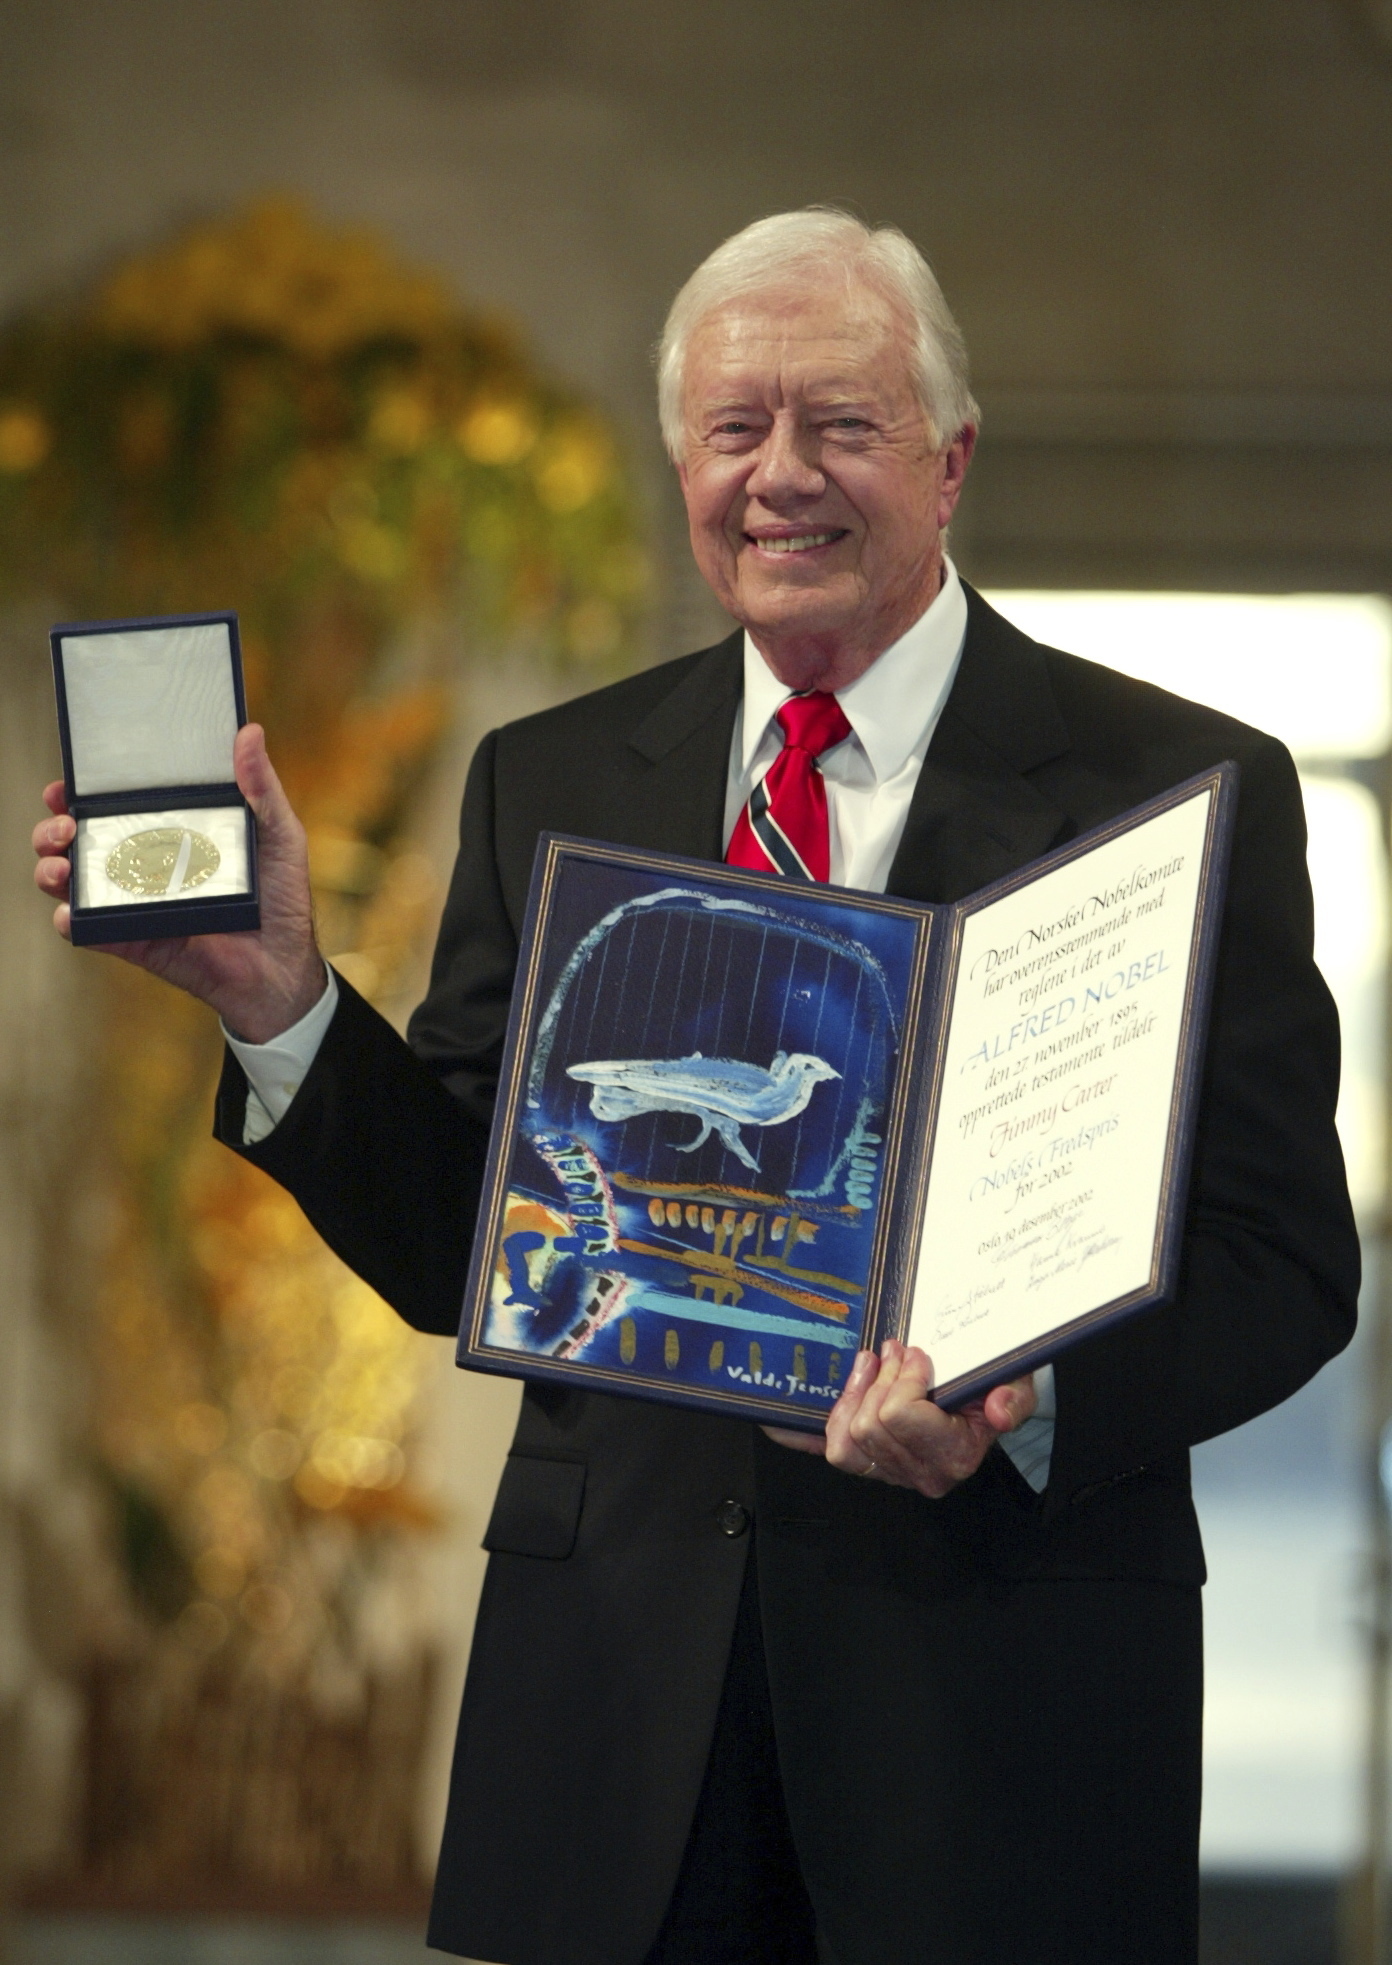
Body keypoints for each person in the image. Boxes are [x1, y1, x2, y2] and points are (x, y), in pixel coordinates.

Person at [34, 210, 1358, 1965]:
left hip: (998, 1733)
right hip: (620, 1739)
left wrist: (1027, 1405)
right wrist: (284, 1003)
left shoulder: (1183, 787)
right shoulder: (556, 778)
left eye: (844, 425)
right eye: (734, 431)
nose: (780, 477)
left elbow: (1285, 1266)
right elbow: (469, 1241)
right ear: (683, 466)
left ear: (950, 462)